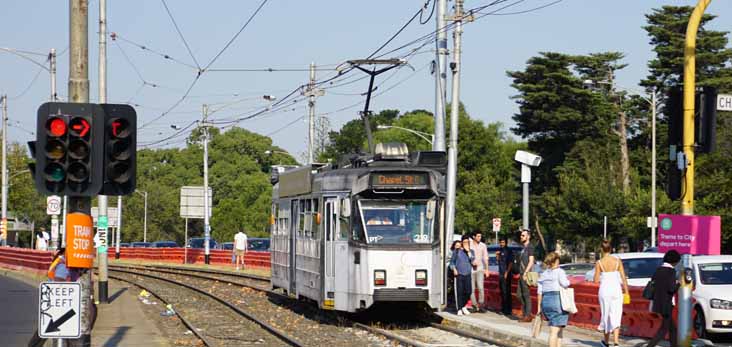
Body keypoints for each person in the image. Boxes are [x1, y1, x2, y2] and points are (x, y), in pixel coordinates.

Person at [593, 240, 630, 347]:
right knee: (616, 314)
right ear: (611, 249)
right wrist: (627, 292)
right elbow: (623, 278)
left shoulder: (599, 262)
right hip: (616, 290)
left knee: (606, 314)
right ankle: (616, 342)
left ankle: (606, 341)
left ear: (601, 249)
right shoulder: (618, 261)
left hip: (605, 290)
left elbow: (595, 280)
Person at [647, 250, 681, 347]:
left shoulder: (658, 270)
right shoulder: (671, 271)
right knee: (664, 329)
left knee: (672, 328)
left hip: (658, 302)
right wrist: (678, 284)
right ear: (674, 261)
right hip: (667, 303)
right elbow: (671, 289)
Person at [536, 252, 570, 347]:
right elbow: (565, 283)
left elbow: (539, 292)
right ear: (556, 261)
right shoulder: (560, 272)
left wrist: (539, 307)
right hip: (557, 300)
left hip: (546, 301)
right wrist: (568, 281)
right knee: (554, 331)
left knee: (559, 329)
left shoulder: (543, 274)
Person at [449, 235, 475, 316]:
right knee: (459, 292)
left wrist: (468, 252)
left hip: (468, 274)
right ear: (462, 243)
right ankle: (459, 308)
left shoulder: (471, 251)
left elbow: (473, 260)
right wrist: (454, 269)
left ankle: (463, 306)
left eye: (467, 242)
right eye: (464, 242)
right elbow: (452, 263)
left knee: (468, 291)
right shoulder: (457, 251)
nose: (466, 243)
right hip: (459, 274)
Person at [517, 229, 535, 322]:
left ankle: (527, 315)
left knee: (526, 294)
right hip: (521, 273)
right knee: (519, 295)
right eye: (521, 235)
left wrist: (525, 273)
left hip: (525, 274)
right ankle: (526, 313)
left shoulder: (530, 247)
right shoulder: (523, 248)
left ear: (528, 237)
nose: (521, 237)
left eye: (523, 235)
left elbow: (531, 261)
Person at [469, 231, 489, 312]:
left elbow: (485, 257)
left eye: (480, 236)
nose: (479, 238)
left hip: (480, 269)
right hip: (470, 269)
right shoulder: (469, 245)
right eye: (478, 236)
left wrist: (487, 269)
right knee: (472, 289)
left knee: (481, 287)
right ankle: (474, 305)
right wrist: (471, 262)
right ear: (474, 236)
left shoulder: (483, 245)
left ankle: (481, 305)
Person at [497, 236, 514, 315]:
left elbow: (510, 263)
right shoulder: (500, 251)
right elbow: (499, 261)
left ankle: (508, 309)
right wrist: (497, 256)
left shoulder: (508, 251)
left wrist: (507, 272)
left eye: (503, 242)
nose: (501, 244)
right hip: (500, 273)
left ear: (506, 243)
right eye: (500, 242)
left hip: (506, 274)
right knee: (502, 292)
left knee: (506, 292)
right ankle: (503, 308)